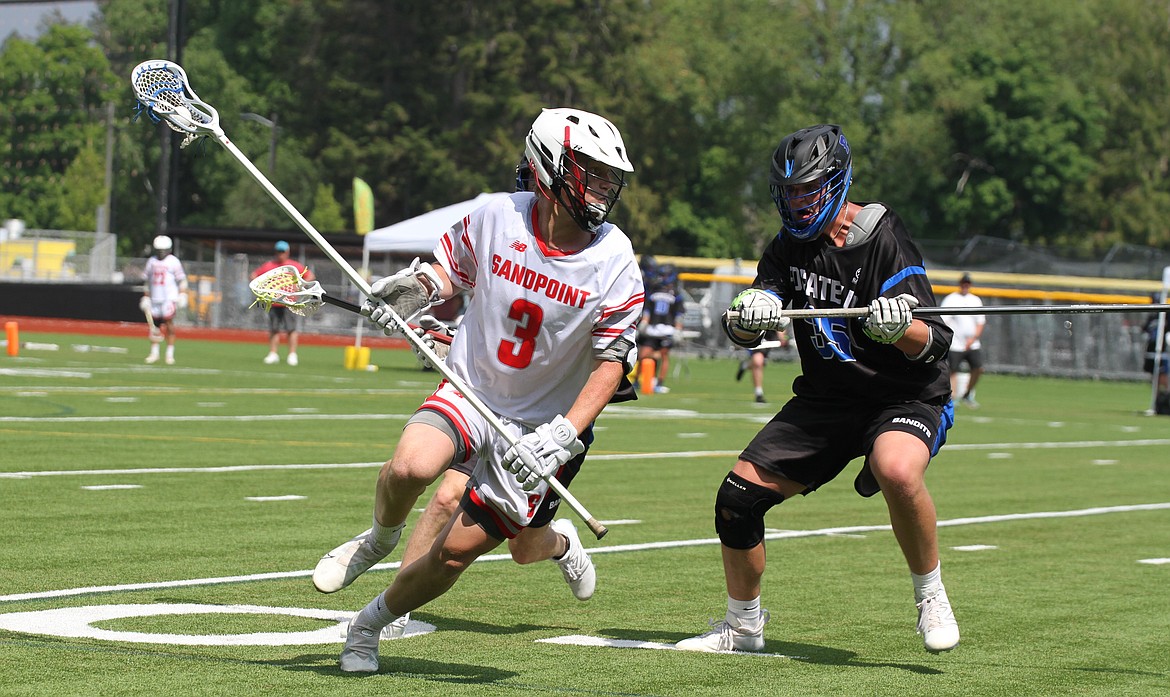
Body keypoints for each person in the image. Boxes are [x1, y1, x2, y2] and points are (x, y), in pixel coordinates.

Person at [311, 107, 643, 674]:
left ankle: (366, 626)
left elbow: (612, 364)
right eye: (591, 170)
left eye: (610, 176)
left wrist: (566, 432)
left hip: (543, 429)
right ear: (549, 167)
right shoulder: (496, 215)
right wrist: (413, 291)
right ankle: (379, 537)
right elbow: (447, 273)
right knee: (412, 469)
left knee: (463, 552)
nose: (604, 187)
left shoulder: (614, 258)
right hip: (473, 390)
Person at [677, 124, 959, 655]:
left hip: (904, 394)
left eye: (807, 189)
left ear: (835, 182)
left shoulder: (883, 238)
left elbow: (935, 342)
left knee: (895, 468)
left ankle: (931, 596)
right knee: (735, 501)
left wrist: (901, 328)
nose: (798, 202)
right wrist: (749, 313)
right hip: (828, 399)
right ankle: (743, 628)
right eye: (788, 192)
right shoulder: (785, 249)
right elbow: (742, 330)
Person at [251, 241, 314, 366]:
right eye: (278, 251)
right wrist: (262, 288)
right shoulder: (269, 265)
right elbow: (253, 275)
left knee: (291, 329)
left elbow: (310, 275)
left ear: (287, 252)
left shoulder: (293, 266)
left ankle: (292, 354)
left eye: (283, 252)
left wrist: (299, 286)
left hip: (290, 302)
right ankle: (273, 353)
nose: (280, 254)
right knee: (274, 329)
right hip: (274, 302)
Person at [636, 264, 685, 394]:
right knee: (643, 355)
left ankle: (659, 383)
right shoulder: (652, 290)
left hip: (667, 330)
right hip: (652, 329)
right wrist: (643, 324)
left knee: (664, 356)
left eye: (665, 275)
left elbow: (679, 314)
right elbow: (647, 310)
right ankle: (636, 380)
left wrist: (678, 330)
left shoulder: (677, 293)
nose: (662, 278)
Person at [940, 273, 986, 407]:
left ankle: (967, 393)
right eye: (963, 283)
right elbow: (945, 320)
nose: (965, 285)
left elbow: (980, 321)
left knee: (978, 368)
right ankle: (953, 398)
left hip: (972, 343)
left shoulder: (975, 300)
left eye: (968, 283)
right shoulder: (951, 299)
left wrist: (973, 338)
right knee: (953, 370)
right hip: (956, 343)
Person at [140, 235, 187, 365]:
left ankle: (169, 354)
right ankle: (154, 353)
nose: (161, 252)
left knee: (169, 324)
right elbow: (147, 282)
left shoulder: (173, 261)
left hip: (169, 298)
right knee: (154, 327)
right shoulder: (151, 261)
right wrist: (146, 296)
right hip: (155, 298)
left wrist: (182, 294)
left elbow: (181, 280)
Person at [734, 329, 789, 403]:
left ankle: (745, 365)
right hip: (755, 333)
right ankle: (759, 394)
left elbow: (781, 321)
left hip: (769, 337)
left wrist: (782, 337)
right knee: (758, 361)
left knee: (759, 362)